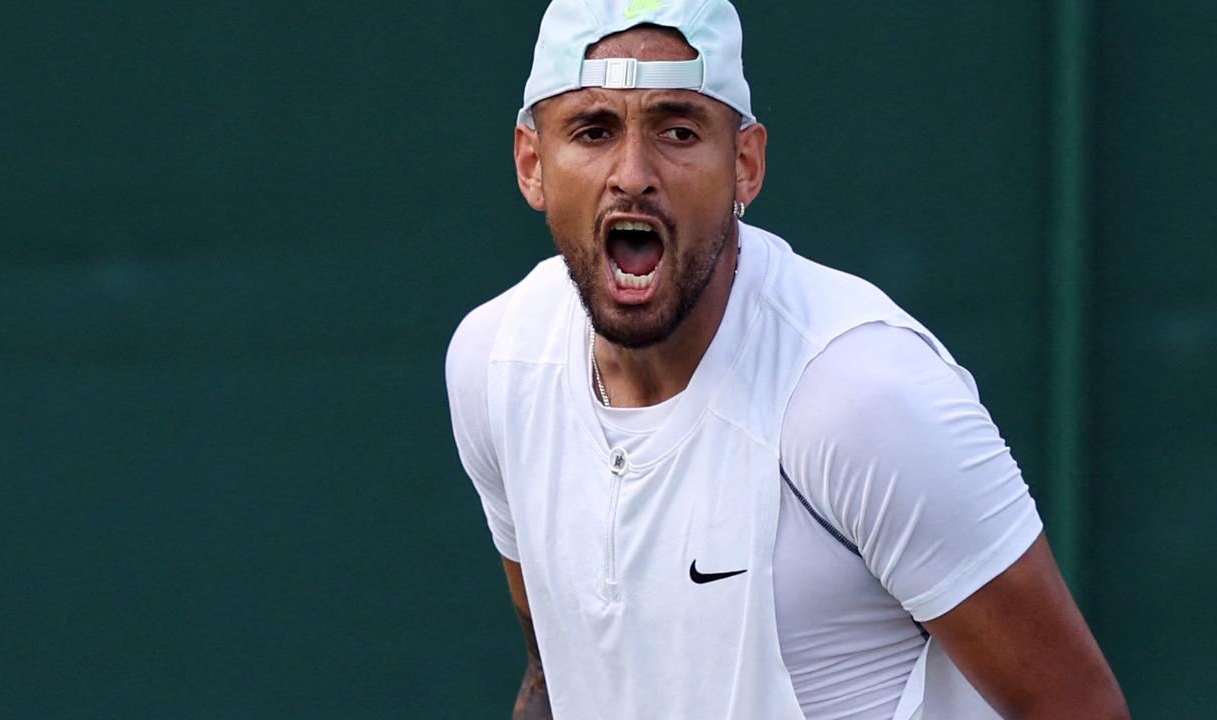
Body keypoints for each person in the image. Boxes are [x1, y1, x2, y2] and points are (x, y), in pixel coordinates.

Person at [445, 1, 1128, 718]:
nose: (633, 174)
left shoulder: (862, 397)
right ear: (532, 163)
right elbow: (553, 673)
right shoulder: (496, 367)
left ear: (745, 165)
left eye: (678, 130)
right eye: (593, 130)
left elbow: (1081, 709)